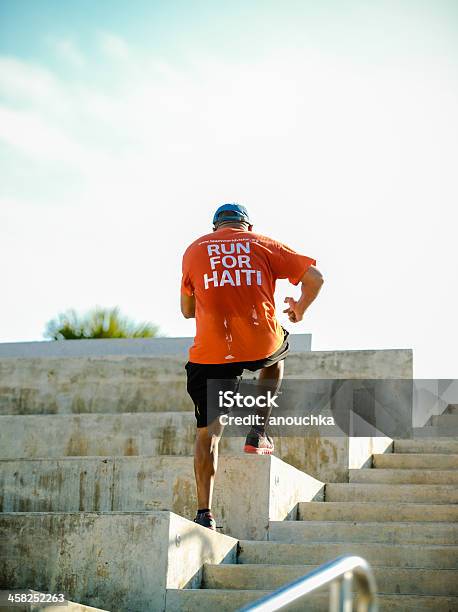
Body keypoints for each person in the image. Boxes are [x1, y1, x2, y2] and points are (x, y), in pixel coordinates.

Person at [181, 203, 323, 530]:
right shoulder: (262, 243)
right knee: (278, 352)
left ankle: (205, 514)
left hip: (212, 350)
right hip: (260, 339)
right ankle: (258, 430)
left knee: (208, 435)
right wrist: (299, 308)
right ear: (247, 225)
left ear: (215, 226)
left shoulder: (194, 250)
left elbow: (187, 311)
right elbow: (315, 278)